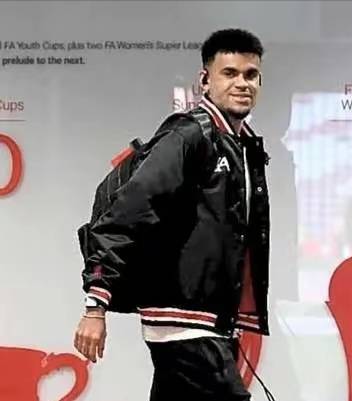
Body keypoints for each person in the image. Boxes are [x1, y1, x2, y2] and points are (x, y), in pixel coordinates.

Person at [73, 28, 270, 401]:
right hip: (186, 322)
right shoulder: (189, 135)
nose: (242, 83)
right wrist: (96, 305)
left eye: (251, 74)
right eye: (229, 73)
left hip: (210, 322)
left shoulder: (242, 144)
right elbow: (125, 214)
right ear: (205, 80)